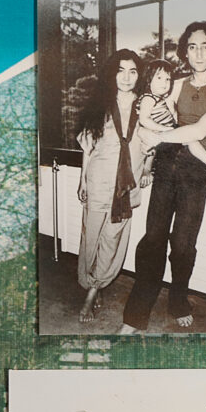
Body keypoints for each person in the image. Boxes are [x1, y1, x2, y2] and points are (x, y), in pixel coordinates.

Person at [120, 22, 206, 332]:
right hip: (166, 165)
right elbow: (150, 121)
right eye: (192, 46)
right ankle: (135, 315)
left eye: (205, 46)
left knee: (183, 245)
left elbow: (199, 130)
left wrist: (160, 136)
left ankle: (178, 300)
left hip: (195, 173)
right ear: (185, 51)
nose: (198, 52)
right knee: (152, 241)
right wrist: (147, 159)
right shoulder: (176, 84)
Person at [75, 49, 146, 323]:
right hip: (98, 179)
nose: (126, 77)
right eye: (121, 70)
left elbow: (151, 146)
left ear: (139, 75)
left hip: (125, 187)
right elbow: (88, 147)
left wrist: (148, 169)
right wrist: (82, 179)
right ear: (111, 74)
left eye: (133, 71)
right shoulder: (100, 104)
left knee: (112, 240)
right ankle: (93, 281)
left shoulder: (146, 106)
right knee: (91, 237)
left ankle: (92, 292)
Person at [136, 58, 206, 178]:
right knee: (191, 141)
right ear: (148, 80)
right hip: (159, 132)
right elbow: (144, 120)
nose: (164, 83)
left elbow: (171, 114)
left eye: (167, 79)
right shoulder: (148, 98)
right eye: (159, 78)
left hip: (165, 133)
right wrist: (164, 130)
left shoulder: (160, 98)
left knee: (190, 140)